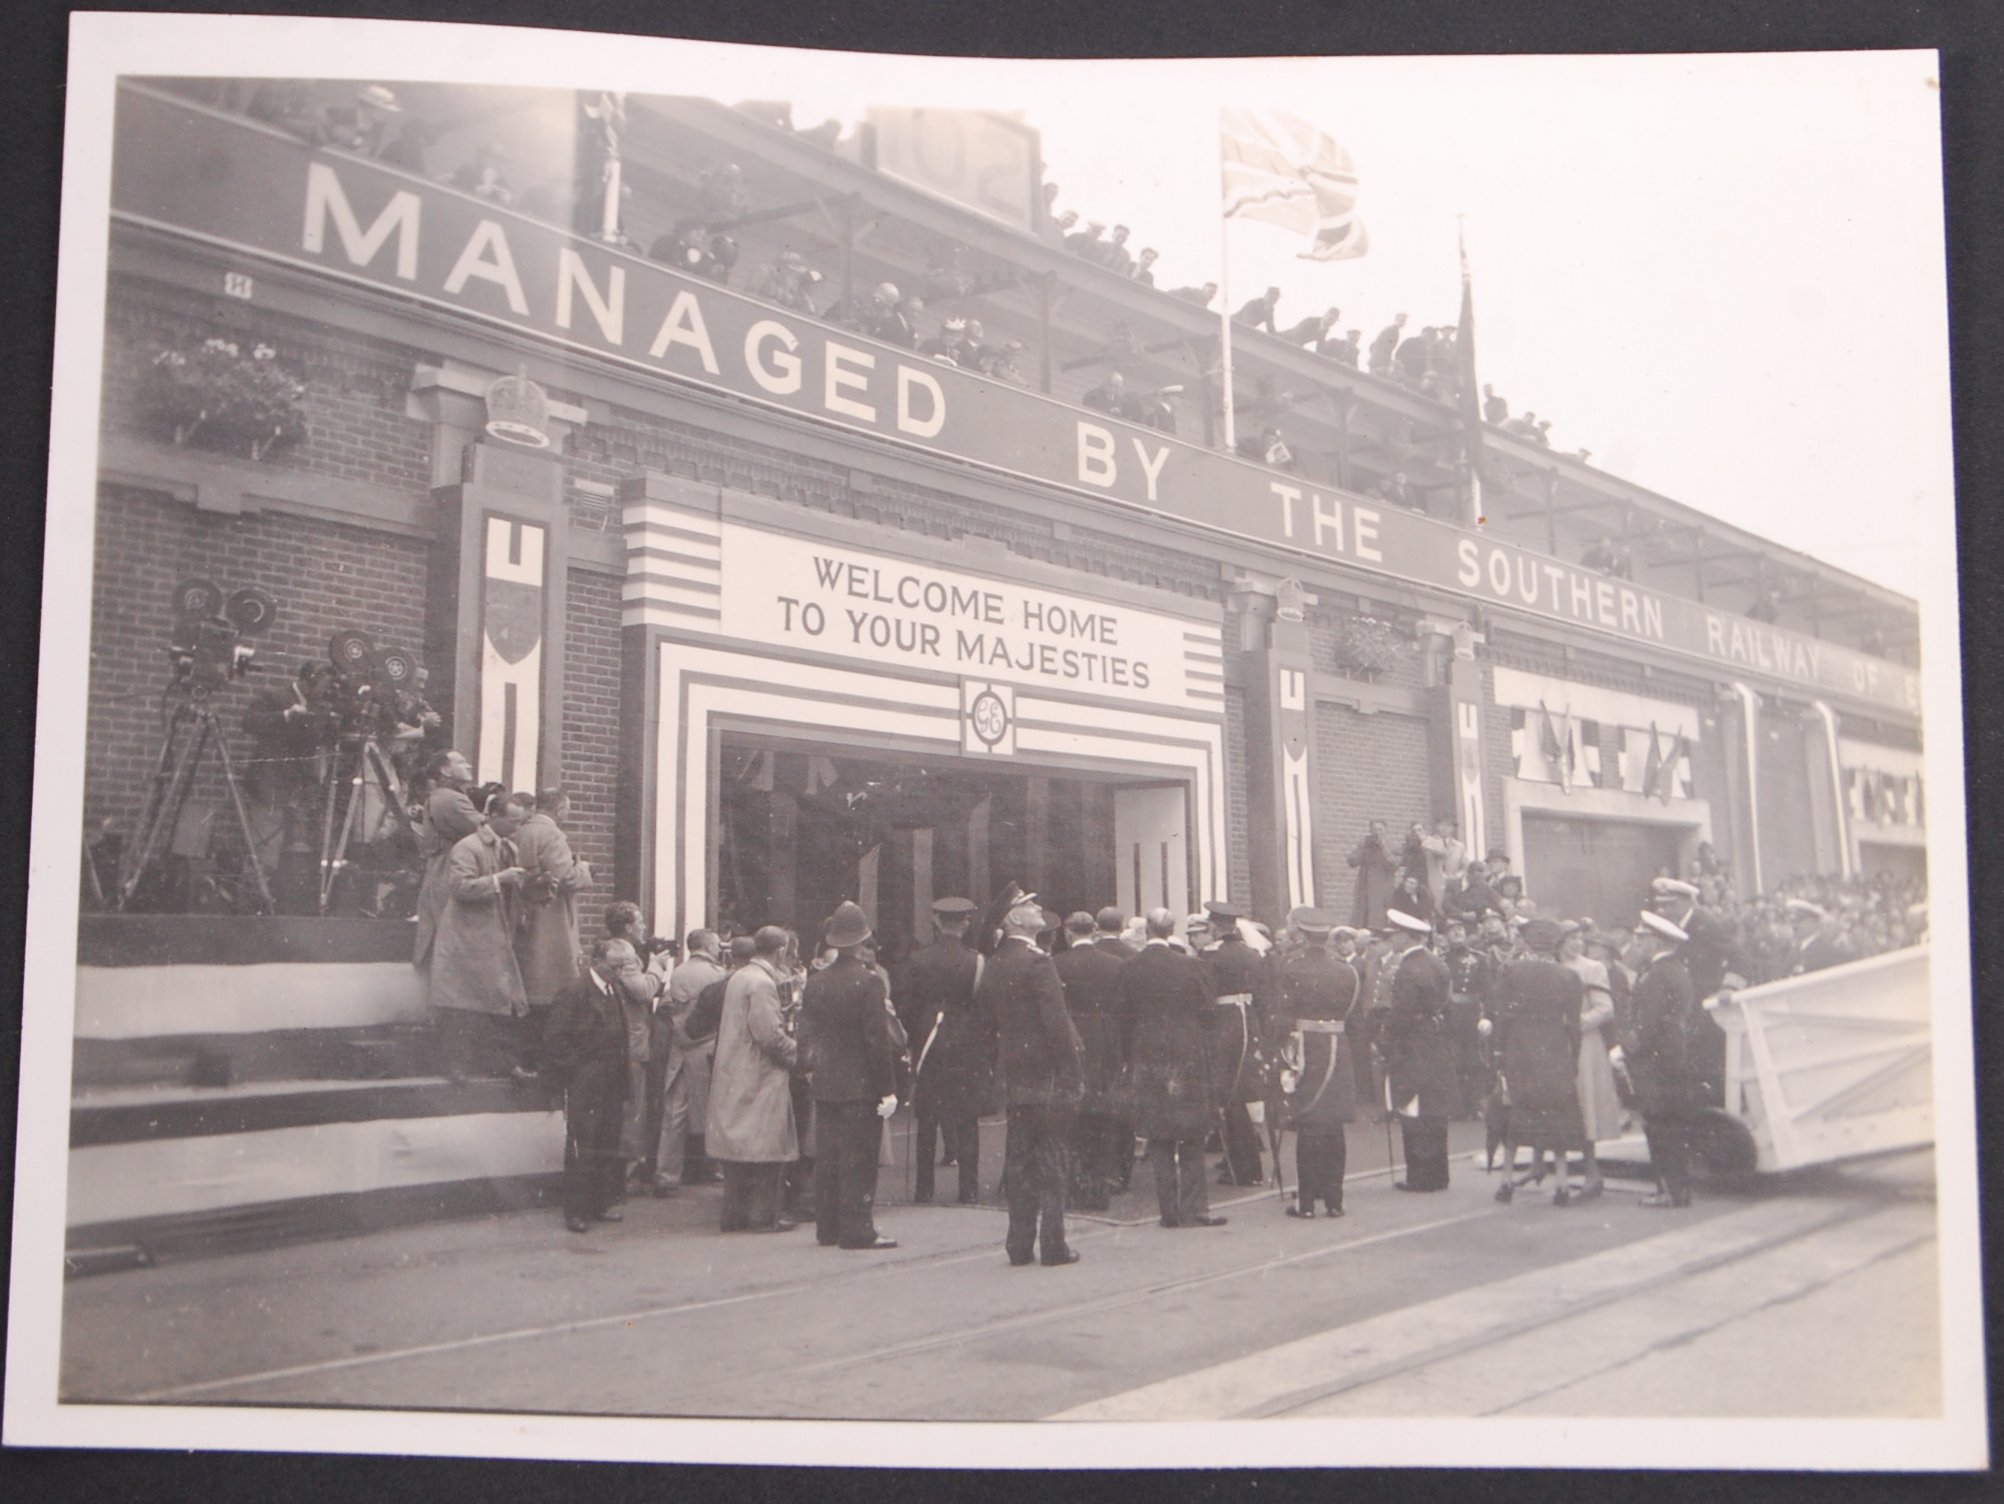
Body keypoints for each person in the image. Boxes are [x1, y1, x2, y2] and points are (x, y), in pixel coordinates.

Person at [983, 891, 1086, 1266]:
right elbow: (1057, 1027)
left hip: (1016, 1073)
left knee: (1020, 1160)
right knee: (1054, 1161)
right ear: (1013, 919)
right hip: (1049, 1076)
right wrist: (1073, 1075)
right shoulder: (1038, 963)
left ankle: (1019, 1243)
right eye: (1028, 906)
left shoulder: (995, 963)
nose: (1038, 909)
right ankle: (1054, 1245)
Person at [800, 902, 900, 1250]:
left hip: (826, 1081)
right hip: (860, 1084)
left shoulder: (816, 982)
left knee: (828, 1159)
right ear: (862, 942)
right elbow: (876, 1040)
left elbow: (806, 1034)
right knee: (859, 1160)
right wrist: (887, 1090)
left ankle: (827, 1228)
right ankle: (858, 1230)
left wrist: (809, 1068)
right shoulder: (869, 982)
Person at [1121, 908, 1227, 1229]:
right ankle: (1194, 1208)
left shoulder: (1130, 967)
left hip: (1148, 1055)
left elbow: (1122, 1016)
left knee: (1159, 1135)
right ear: (1171, 931)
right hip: (1188, 1054)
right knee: (1192, 1134)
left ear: (1148, 931)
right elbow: (1211, 1013)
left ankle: (1168, 1211)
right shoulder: (1193, 966)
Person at [1263, 908, 1361, 1218]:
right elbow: (1355, 1021)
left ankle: (1306, 1203)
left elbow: (1281, 1017)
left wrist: (1274, 1051)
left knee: (1309, 1126)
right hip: (1339, 1050)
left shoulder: (1291, 969)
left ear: (1303, 935)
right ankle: (1335, 1201)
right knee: (1333, 1128)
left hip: (1305, 1051)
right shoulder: (1347, 971)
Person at [898, 897, 994, 1205]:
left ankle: (923, 1189)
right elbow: (983, 1006)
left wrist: (915, 1038)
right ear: (965, 924)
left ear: (937, 923)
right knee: (967, 1119)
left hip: (928, 1040)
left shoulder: (917, 960)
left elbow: (908, 1008)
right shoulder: (975, 960)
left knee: (927, 1118)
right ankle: (968, 1189)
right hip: (965, 1042)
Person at [429, 791, 531, 1082]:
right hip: (467, 937)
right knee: (462, 1004)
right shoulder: (467, 847)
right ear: (494, 817)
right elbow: (460, 887)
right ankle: (456, 1067)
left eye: (521, 822)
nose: (518, 828)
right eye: (513, 821)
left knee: (500, 1002)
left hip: (495, 937)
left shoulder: (507, 847)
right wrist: (501, 879)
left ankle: (502, 1063)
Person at [705, 925, 801, 1232]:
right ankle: (762, 1217)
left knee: (737, 1153)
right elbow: (768, 1034)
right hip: (759, 1076)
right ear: (781, 951)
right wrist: (797, 1053)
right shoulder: (762, 983)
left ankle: (733, 1216)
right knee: (765, 1150)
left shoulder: (739, 976)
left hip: (734, 1071)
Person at [1487, 919, 1587, 1205]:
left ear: (1528, 943)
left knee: (1515, 1114)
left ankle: (1506, 1181)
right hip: (1555, 1052)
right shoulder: (1569, 977)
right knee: (1557, 1114)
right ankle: (1563, 1185)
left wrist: (1499, 1055)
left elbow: (1502, 1017)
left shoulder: (1510, 972)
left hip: (1520, 1052)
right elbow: (1574, 1026)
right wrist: (1573, 1059)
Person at [543, 936, 639, 1233]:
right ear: (595, 962)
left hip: (611, 1082)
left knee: (607, 1143)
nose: (619, 972)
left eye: (624, 967)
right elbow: (555, 1039)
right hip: (586, 1082)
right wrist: (578, 1071)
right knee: (581, 1145)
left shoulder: (615, 989)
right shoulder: (574, 992)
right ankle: (576, 1211)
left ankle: (600, 1203)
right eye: (614, 966)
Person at [1374, 909, 1462, 1191]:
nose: (1391, 940)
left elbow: (1401, 1013)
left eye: (1394, 935)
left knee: (1413, 1108)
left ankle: (1420, 1176)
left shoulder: (1408, 969)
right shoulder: (1438, 964)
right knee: (1434, 1110)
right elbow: (1448, 1006)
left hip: (1412, 1044)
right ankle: (1439, 1174)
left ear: (1406, 936)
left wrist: (1385, 1042)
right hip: (1436, 1041)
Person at [1626, 910, 1703, 1208]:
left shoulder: (1658, 974)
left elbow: (1648, 1024)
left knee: (1660, 1125)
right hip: (1672, 1056)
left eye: (1643, 938)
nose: (1639, 942)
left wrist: (1627, 1049)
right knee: (1671, 1125)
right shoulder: (1676, 970)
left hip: (1656, 1060)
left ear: (1658, 941)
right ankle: (1676, 1188)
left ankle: (1669, 1190)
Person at [511, 789, 592, 1069]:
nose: (567, 815)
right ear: (558, 809)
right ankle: (544, 1058)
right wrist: (583, 869)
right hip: (550, 918)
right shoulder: (552, 835)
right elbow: (567, 878)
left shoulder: (520, 831)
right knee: (551, 985)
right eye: (567, 810)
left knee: (529, 979)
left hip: (524, 914)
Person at [1053, 911, 1128, 1210]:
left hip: (1074, 1040)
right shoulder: (1115, 965)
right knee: (1104, 1113)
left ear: (1069, 933)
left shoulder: (1057, 963)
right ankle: (1100, 1186)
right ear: (1094, 931)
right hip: (1107, 1039)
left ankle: (1075, 1185)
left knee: (1073, 1114)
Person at [1199, 899, 1267, 1186]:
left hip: (1223, 1025)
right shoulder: (1252, 954)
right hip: (1249, 1022)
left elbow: (1204, 996)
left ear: (1215, 927)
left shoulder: (1210, 957)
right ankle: (1241, 1161)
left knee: (1227, 1096)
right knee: (1239, 1093)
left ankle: (1242, 1164)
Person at [658, 930, 728, 1191]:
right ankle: (716, 1167)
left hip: (680, 1051)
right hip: (707, 1048)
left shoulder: (678, 973)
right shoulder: (717, 975)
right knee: (714, 1111)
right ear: (708, 946)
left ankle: (666, 1174)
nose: (720, 948)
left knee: (674, 1114)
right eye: (717, 944)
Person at [1560, 922, 1622, 1198]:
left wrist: (1575, 1025)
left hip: (1585, 1043)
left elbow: (1605, 1009)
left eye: (1579, 938)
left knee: (1585, 1105)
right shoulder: (1551, 967)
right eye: (1570, 939)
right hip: (1557, 1045)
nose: (1577, 944)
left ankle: (1591, 1173)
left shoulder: (1592, 968)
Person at [1347, 819, 1398, 932]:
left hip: (1381, 891)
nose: (1377, 832)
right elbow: (1352, 862)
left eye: (1380, 829)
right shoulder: (1366, 844)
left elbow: (1394, 865)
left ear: (1386, 831)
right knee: (1361, 923)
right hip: (1364, 891)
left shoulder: (1392, 846)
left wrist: (1383, 847)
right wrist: (1363, 847)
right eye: (1374, 830)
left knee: (1378, 924)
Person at [1419, 815, 1468, 912]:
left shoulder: (1459, 846)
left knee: (1450, 911)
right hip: (1433, 884)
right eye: (1442, 825)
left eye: (1449, 826)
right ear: (1436, 826)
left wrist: (1457, 876)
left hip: (1452, 886)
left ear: (1453, 829)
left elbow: (1465, 866)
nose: (1445, 828)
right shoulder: (1428, 842)